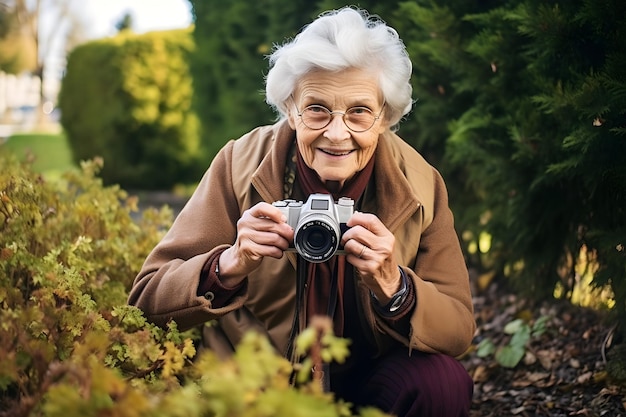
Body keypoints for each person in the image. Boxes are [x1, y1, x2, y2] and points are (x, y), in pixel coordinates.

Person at [128, 7, 475, 416]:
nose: (336, 132)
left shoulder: (419, 184)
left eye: (359, 112)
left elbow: (458, 328)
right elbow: (145, 301)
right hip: (261, 381)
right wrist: (229, 263)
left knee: (443, 385)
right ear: (290, 109)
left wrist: (395, 286)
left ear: (385, 117)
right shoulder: (239, 164)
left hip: (372, 373)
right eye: (317, 109)